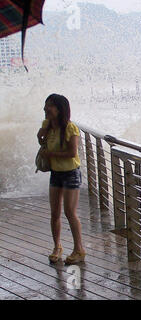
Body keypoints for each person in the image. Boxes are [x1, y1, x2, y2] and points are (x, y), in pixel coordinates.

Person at [37, 94, 86, 264]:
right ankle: (57, 246)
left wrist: (50, 154)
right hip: (56, 173)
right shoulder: (49, 127)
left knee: (69, 212)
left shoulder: (70, 128)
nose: (45, 109)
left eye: (49, 106)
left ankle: (79, 249)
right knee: (55, 213)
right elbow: (41, 140)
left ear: (59, 109)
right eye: (45, 105)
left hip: (71, 172)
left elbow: (72, 153)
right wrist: (41, 132)